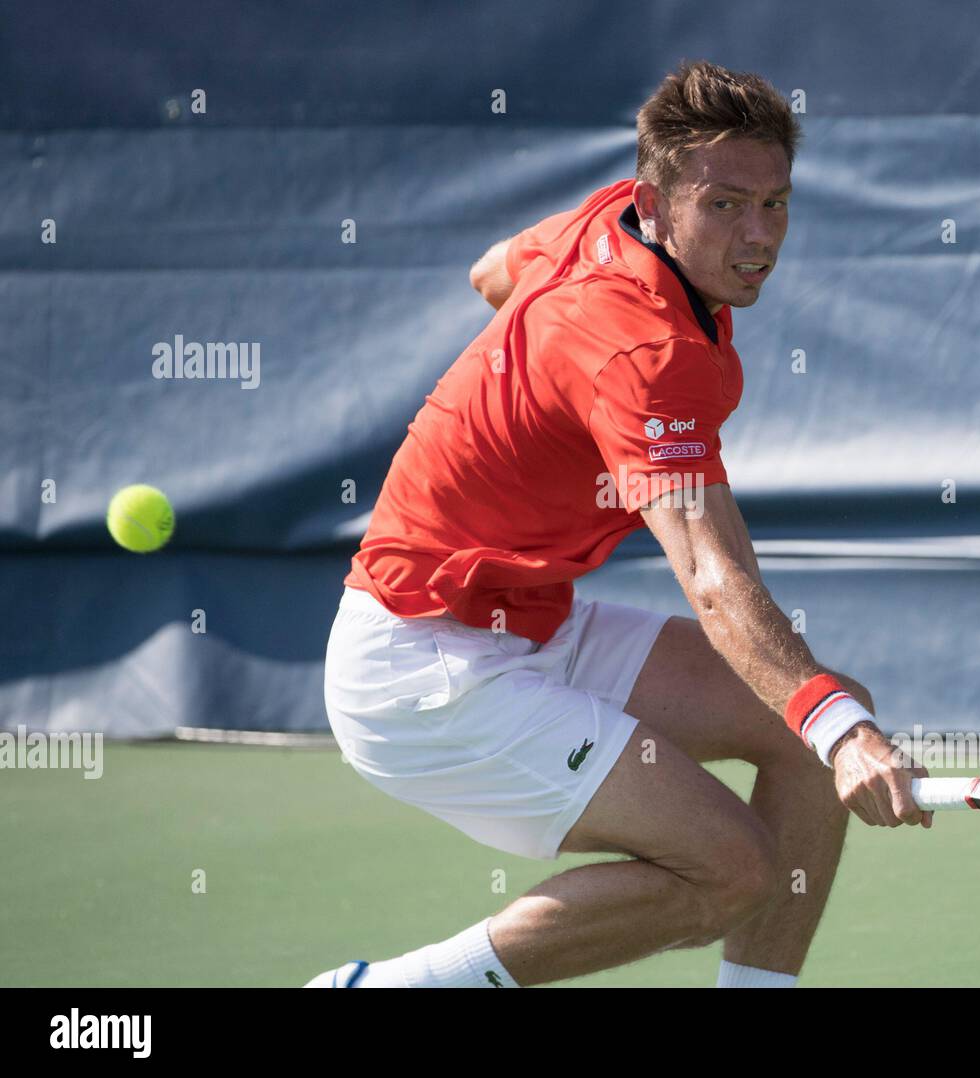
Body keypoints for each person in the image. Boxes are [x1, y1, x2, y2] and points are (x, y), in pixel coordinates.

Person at [307, 59, 930, 990]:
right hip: (421, 669)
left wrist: (543, 396)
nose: (758, 237)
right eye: (724, 206)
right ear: (660, 198)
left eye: (775, 204)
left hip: (530, 620)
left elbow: (492, 273)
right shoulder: (642, 351)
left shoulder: (611, 219)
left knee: (808, 719)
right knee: (735, 866)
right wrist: (846, 736)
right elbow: (712, 578)